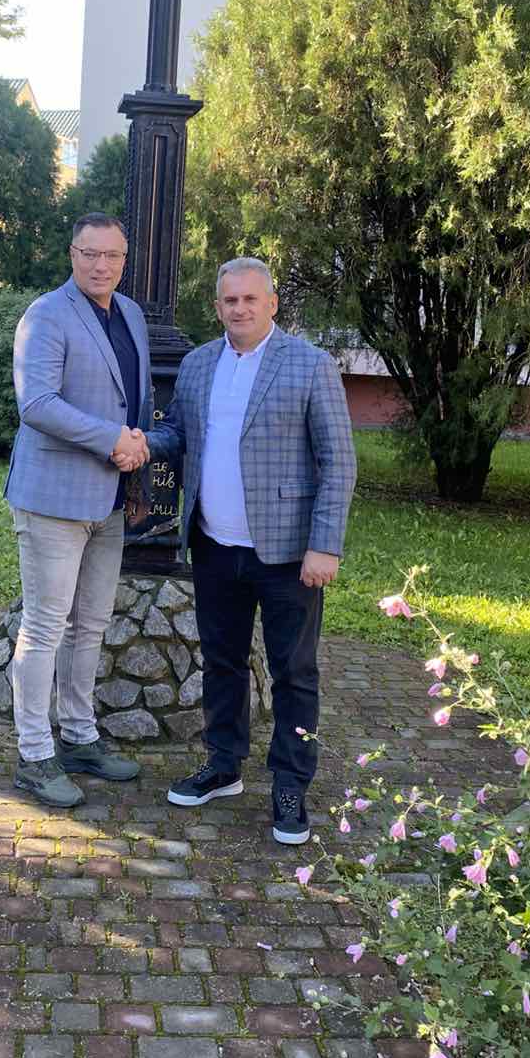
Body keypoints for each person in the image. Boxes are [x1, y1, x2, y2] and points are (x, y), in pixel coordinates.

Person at [145, 258, 355, 844]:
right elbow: (179, 435)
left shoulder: (310, 365)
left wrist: (324, 545)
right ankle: (223, 764)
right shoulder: (197, 364)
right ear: (217, 307)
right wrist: (138, 444)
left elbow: (338, 462)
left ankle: (290, 782)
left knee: (295, 672)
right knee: (223, 662)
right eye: (229, 300)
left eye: (250, 299)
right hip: (214, 544)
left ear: (272, 303)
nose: (239, 308)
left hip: (287, 553)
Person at [4, 212, 151, 807]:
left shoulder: (131, 314)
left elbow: (134, 398)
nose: (101, 265)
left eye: (112, 255)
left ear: (124, 260)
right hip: (53, 499)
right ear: (72, 254)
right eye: (90, 253)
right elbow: (36, 403)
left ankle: (79, 736)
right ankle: (34, 754)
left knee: (90, 625)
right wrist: (113, 438)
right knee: (45, 627)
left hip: (110, 498)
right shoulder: (46, 315)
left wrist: (135, 454)